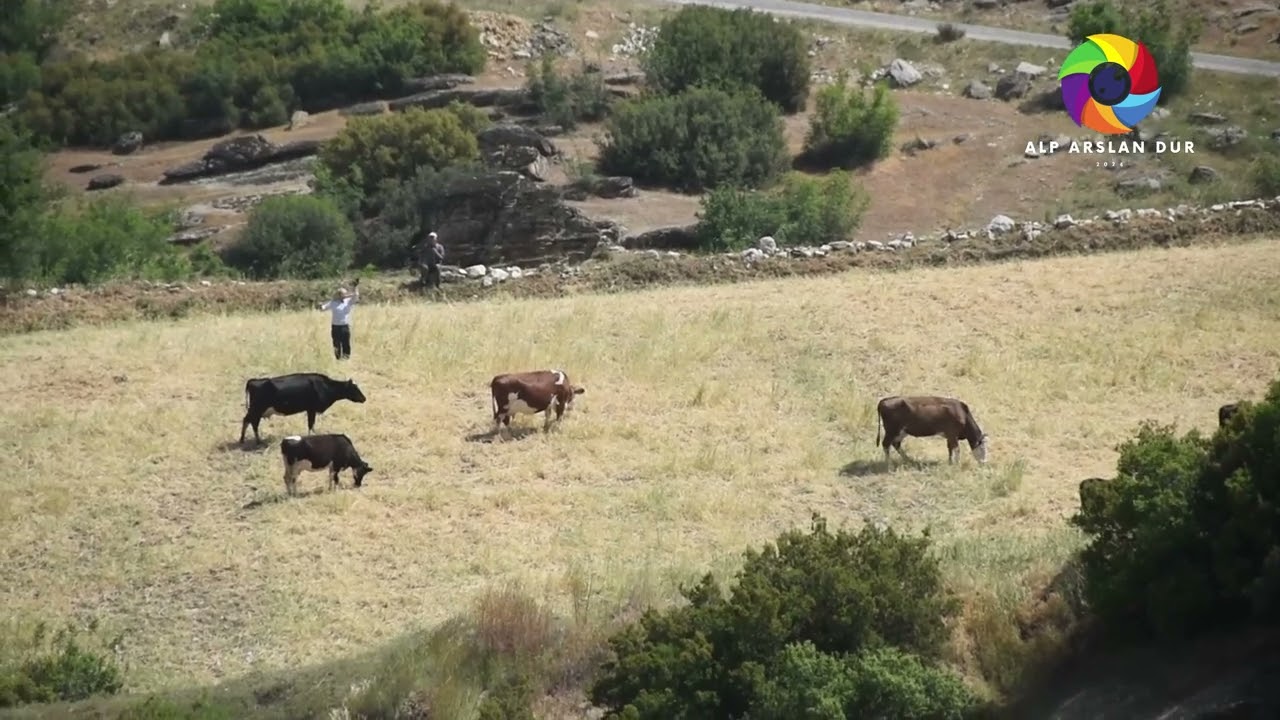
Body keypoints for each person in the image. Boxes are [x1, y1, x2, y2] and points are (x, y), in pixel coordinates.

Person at [318, 278, 359, 360]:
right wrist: (319, 306)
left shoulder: (348, 302)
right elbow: (323, 308)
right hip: (335, 327)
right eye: (342, 294)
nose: (344, 295)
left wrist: (355, 287)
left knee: (346, 343)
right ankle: (338, 358)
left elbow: (356, 296)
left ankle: (346, 357)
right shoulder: (333, 303)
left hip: (345, 326)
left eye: (345, 294)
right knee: (336, 343)